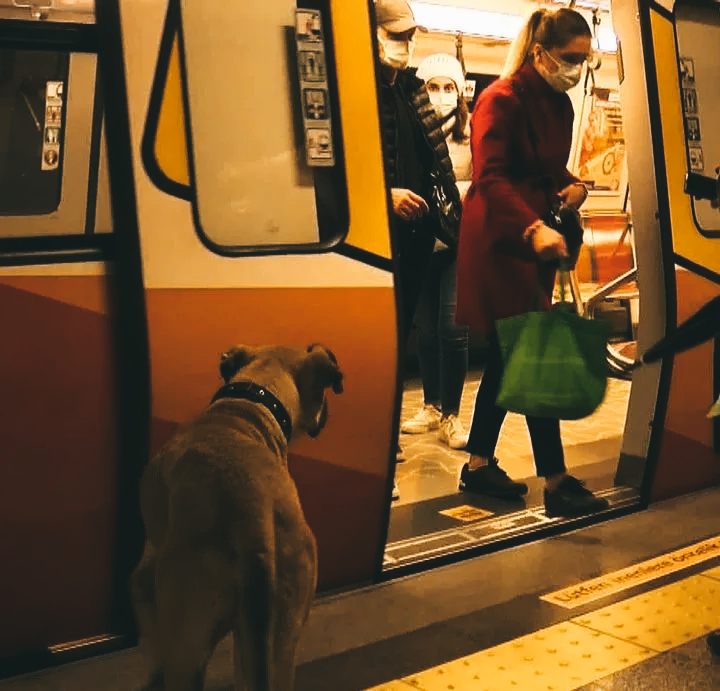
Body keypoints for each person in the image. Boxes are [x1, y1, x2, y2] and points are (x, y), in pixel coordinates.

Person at [455, 7, 610, 517]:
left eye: (584, 61)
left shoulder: (559, 104)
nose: (576, 69)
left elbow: (545, 166)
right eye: (569, 58)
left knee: (509, 356)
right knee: (532, 350)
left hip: (535, 242)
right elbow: (491, 177)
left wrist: (573, 185)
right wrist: (533, 226)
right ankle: (556, 479)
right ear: (541, 52)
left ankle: (477, 466)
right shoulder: (499, 100)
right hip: (504, 242)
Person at [373, 0, 463, 498]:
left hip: (419, 241)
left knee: (405, 339)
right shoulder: (358, 92)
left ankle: (388, 444)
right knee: (380, 347)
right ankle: (379, 451)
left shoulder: (410, 93)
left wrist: (451, 216)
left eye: (409, 36)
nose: (403, 45)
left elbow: (438, 164)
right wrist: (383, 195)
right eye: (394, 34)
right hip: (376, 240)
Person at [401, 53, 471, 449]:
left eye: (449, 87)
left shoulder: (471, 131)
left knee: (453, 329)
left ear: (459, 91)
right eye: (433, 86)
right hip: (424, 238)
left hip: (460, 241)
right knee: (426, 332)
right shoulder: (414, 132)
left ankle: (453, 415)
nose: (442, 94)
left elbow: (482, 181)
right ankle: (430, 405)